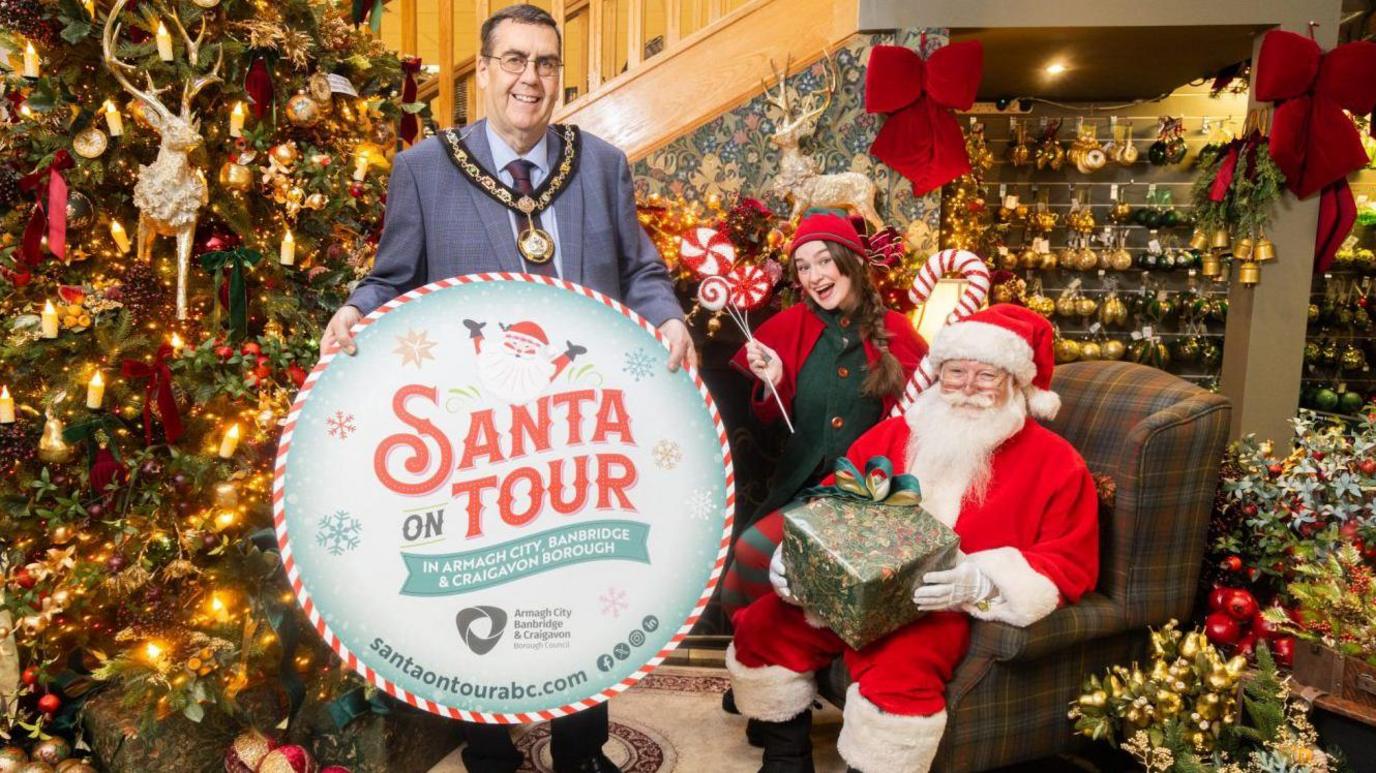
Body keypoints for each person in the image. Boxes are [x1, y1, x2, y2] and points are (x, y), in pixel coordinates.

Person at [318, 6, 693, 772]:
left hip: (583, 427)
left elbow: (643, 270)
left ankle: (582, 747)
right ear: (483, 72)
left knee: (582, 585)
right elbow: (395, 277)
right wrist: (355, 309)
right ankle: (489, 748)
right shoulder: (423, 169)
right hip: (479, 441)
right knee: (484, 592)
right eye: (514, 61)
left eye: (547, 63)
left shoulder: (603, 165)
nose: (531, 78)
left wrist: (668, 315)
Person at [727, 304, 1100, 773]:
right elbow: (832, 499)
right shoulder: (899, 433)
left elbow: (1069, 560)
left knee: (901, 667)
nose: (966, 388)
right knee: (767, 622)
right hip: (853, 589)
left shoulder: (1056, 463)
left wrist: (980, 582)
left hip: (938, 606)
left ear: (1016, 382)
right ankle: (785, 758)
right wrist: (797, 554)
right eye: (955, 372)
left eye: (985, 376)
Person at [719, 212, 927, 619]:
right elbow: (764, 421)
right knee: (750, 556)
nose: (814, 276)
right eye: (802, 266)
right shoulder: (790, 326)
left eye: (824, 260)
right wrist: (772, 381)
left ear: (853, 261)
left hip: (870, 500)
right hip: (802, 492)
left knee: (763, 553)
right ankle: (762, 660)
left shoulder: (898, 331)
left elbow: (920, 425)